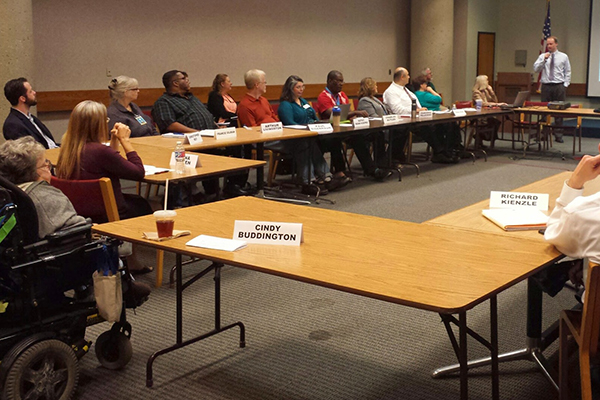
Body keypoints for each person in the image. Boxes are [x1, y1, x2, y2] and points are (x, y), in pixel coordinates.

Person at [56, 100, 153, 273]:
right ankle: (131, 257)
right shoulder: (100, 152)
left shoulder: (67, 148)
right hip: (108, 211)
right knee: (143, 205)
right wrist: (125, 141)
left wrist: (113, 141)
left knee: (135, 201)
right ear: (98, 125)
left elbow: (110, 163)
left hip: (79, 210)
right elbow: (138, 173)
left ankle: (130, 259)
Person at [152, 70, 227, 199]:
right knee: (210, 157)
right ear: (175, 83)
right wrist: (197, 132)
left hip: (208, 138)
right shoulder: (164, 102)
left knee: (236, 150)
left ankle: (228, 188)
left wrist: (214, 126)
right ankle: (193, 192)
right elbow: (170, 124)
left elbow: (206, 114)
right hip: (187, 143)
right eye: (184, 78)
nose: (188, 80)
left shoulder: (192, 98)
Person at [0, 137, 86, 238]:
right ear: (34, 172)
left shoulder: (6, 195)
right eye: (45, 165)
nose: (48, 168)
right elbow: (79, 231)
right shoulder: (46, 196)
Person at [314, 70, 386, 183]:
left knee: (364, 136)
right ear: (330, 81)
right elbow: (332, 114)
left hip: (346, 128)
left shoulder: (342, 95)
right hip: (330, 130)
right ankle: (339, 171)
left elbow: (348, 113)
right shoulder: (323, 96)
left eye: (342, 81)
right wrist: (354, 113)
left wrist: (355, 118)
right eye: (338, 81)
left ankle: (373, 169)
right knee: (335, 140)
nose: (341, 84)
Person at [383, 67, 458, 163]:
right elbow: (397, 110)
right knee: (428, 127)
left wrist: (421, 111)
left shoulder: (406, 90)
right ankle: (440, 152)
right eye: (408, 75)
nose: (409, 77)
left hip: (417, 117)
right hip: (403, 121)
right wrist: (417, 111)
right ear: (402, 77)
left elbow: (416, 103)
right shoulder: (391, 92)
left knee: (443, 124)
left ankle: (446, 151)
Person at [277, 75, 333, 195]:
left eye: (303, 86)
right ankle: (308, 181)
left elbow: (314, 116)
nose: (301, 89)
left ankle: (325, 177)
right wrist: (307, 128)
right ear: (290, 88)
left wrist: (318, 124)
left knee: (312, 143)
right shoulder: (285, 105)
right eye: (298, 87)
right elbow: (289, 124)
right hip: (293, 138)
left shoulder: (303, 101)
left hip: (309, 134)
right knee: (306, 144)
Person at [205, 73, 251, 197]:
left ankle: (239, 183)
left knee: (245, 148)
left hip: (233, 127)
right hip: (221, 129)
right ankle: (232, 185)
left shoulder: (228, 96)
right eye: (229, 81)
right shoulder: (215, 96)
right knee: (237, 151)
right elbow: (220, 112)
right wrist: (235, 116)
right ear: (222, 84)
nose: (231, 83)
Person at [533, 36, 571, 143]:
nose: (549, 46)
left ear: (556, 44)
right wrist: (543, 60)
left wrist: (565, 85)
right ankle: (543, 134)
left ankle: (558, 135)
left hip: (558, 85)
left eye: (551, 44)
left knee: (559, 111)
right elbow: (536, 69)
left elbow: (568, 71)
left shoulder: (563, 56)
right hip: (546, 86)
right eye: (548, 44)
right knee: (544, 111)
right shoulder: (542, 56)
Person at [3, 78, 58, 149]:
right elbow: (29, 153)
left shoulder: (31, 118)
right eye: (30, 91)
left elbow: (49, 143)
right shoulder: (13, 125)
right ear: (22, 98)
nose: (34, 92)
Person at [356, 77, 398, 168]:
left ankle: (390, 159)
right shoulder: (364, 101)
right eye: (375, 85)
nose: (376, 87)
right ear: (370, 87)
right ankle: (386, 161)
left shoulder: (374, 99)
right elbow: (372, 118)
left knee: (403, 130)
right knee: (396, 132)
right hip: (373, 129)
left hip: (385, 125)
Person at [471, 75, 504, 148]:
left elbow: (495, 101)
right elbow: (482, 103)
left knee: (495, 122)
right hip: (478, 116)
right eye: (487, 80)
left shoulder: (485, 92)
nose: (488, 82)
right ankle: (479, 137)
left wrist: (491, 92)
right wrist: (497, 104)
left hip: (485, 113)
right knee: (492, 122)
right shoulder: (476, 93)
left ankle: (484, 138)